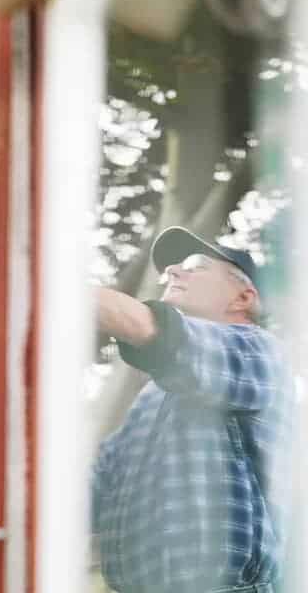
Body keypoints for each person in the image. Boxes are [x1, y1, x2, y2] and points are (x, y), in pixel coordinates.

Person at [92, 226, 294, 593]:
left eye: (194, 263)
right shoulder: (150, 398)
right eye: (171, 267)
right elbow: (94, 488)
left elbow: (158, 332)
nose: (172, 271)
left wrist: (53, 291)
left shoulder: (261, 353)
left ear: (242, 298)